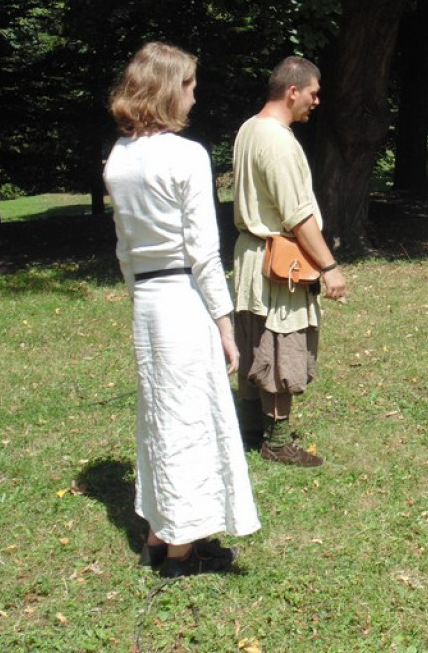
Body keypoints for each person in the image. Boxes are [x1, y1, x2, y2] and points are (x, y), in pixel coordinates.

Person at [104, 42, 260, 578]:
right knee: (188, 419)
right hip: (180, 299)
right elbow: (202, 252)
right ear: (171, 88)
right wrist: (225, 323)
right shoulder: (186, 155)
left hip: (147, 301)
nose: (195, 95)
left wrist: (136, 296)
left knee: (159, 418)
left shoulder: (119, 158)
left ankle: (159, 532)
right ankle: (179, 554)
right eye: (190, 84)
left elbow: (125, 249)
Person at [231, 57, 347, 466]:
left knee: (254, 344)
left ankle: (247, 429)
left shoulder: (249, 128)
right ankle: (276, 442)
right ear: (292, 91)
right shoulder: (278, 141)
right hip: (278, 262)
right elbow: (296, 215)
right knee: (280, 346)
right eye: (314, 93)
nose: (317, 101)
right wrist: (330, 268)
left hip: (251, 257)